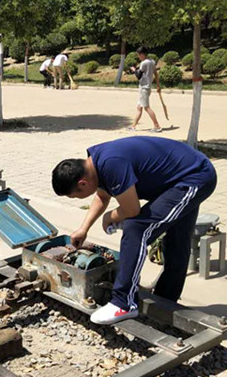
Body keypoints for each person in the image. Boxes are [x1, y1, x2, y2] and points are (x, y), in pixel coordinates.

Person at [51, 136, 217, 325]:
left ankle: (123, 302)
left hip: (194, 178)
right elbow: (102, 196)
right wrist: (84, 228)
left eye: (75, 197)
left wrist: (111, 216)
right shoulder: (94, 164)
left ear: (83, 183)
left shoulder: (111, 164)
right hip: (183, 175)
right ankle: (165, 301)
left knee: (136, 228)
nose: (77, 200)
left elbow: (132, 210)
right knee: (177, 239)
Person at [128, 46, 162, 132]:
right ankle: (133, 126)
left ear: (142, 54)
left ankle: (157, 126)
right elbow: (156, 74)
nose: (138, 56)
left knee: (146, 107)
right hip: (148, 86)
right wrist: (158, 85)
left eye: (139, 55)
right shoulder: (152, 61)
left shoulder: (144, 63)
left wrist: (134, 70)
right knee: (139, 107)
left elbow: (138, 76)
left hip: (144, 87)